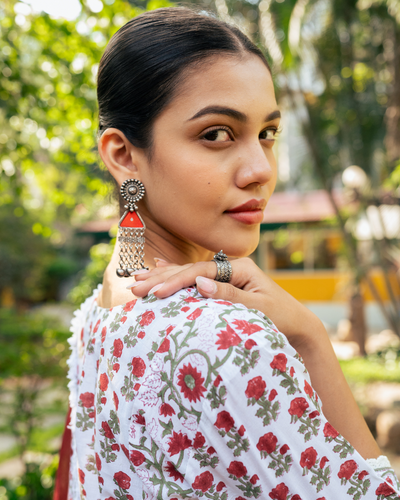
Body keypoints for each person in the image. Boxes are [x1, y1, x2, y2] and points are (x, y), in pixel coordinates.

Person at [62, 7, 400, 499]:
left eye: (267, 133)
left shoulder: (101, 310)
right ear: (123, 155)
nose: (260, 169)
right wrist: (311, 339)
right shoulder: (229, 341)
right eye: (216, 134)